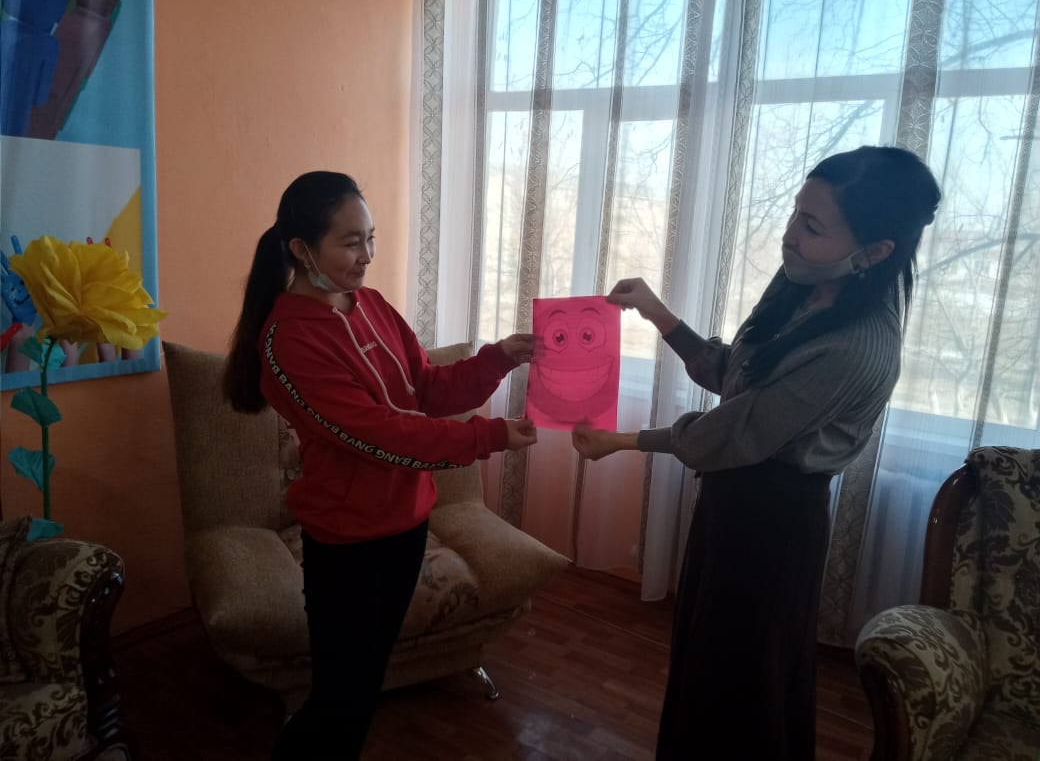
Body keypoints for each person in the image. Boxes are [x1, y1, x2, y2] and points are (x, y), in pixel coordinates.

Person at [572, 146, 941, 760]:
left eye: (812, 226)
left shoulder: (858, 346)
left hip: (774, 522)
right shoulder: (802, 284)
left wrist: (625, 441)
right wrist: (657, 313)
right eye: (795, 213)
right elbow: (733, 376)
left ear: (875, 252)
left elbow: (734, 432)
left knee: (743, 683)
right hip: (731, 499)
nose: (789, 236)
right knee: (704, 663)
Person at [222, 171, 538, 760]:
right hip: (348, 543)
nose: (367, 255)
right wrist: (488, 436)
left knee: (363, 685)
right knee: (341, 697)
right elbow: (378, 435)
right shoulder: (288, 340)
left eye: (370, 237)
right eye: (350, 242)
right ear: (301, 249)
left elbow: (427, 389)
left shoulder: (371, 305)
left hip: (406, 526)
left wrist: (499, 358)